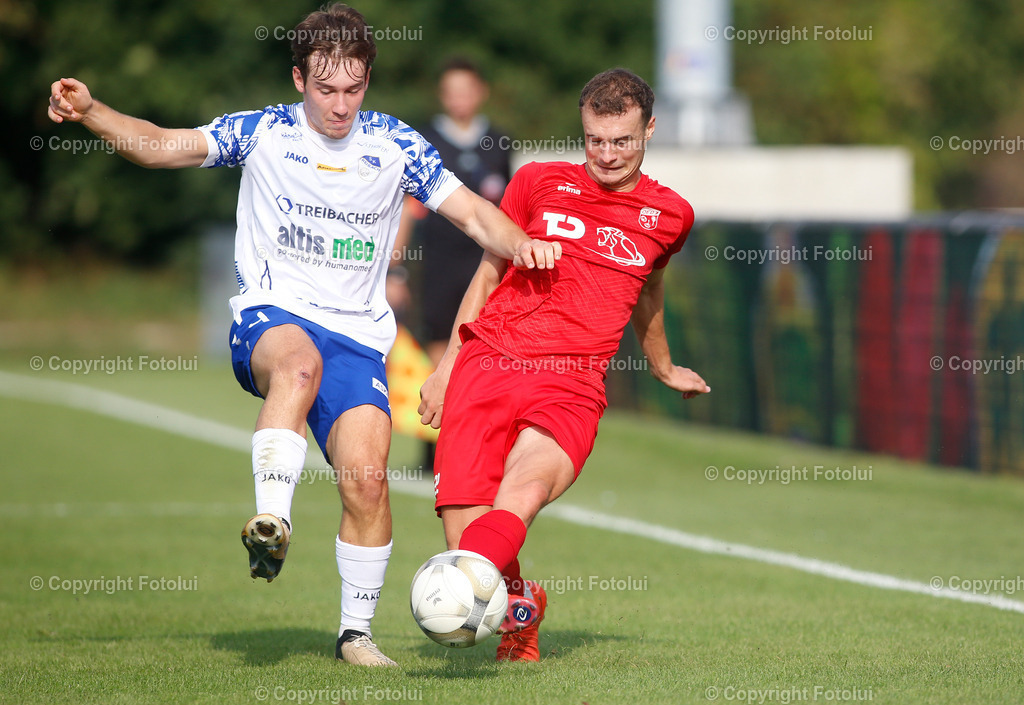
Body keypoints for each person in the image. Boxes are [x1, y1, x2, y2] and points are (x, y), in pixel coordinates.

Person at [47, 3, 558, 668]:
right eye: (325, 89)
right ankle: (273, 521)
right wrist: (92, 111)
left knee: (368, 481)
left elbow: (474, 214)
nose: (340, 106)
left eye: (353, 89)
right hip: (274, 313)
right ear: (298, 79)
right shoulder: (263, 131)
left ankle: (355, 635)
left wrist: (525, 244)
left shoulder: (395, 144)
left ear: (367, 83)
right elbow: (160, 145)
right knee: (298, 365)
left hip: (358, 337)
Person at [418, 68, 710, 662]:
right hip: (488, 362)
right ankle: (522, 605)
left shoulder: (670, 215)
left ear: (649, 130)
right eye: (594, 140)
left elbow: (649, 293)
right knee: (465, 536)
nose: (606, 154)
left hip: (573, 383)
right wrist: (447, 366)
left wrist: (663, 364)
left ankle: (455, 597)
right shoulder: (536, 182)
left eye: (622, 140)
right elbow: (489, 272)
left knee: (519, 497)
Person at [394, 57, 512, 472]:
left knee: (483, 356)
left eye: (466, 89)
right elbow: (407, 209)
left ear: (481, 92)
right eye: (451, 91)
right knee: (438, 352)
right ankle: (434, 449)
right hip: (437, 265)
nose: (459, 99)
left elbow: (509, 210)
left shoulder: (499, 142)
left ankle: (476, 449)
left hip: (487, 266)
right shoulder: (423, 140)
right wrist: (396, 269)